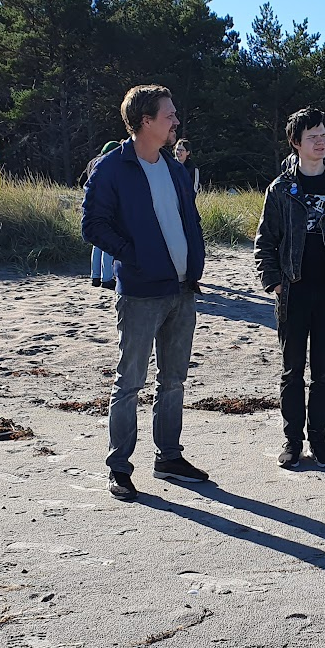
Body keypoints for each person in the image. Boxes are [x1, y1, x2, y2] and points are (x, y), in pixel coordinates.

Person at [81, 85, 208, 500]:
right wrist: (135, 256)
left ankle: (169, 458)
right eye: (169, 115)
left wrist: (195, 262)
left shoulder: (174, 167)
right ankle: (119, 467)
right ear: (145, 121)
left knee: (174, 381)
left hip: (182, 289)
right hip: (139, 292)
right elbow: (93, 226)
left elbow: (188, 218)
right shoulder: (111, 168)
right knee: (129, 383)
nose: (176, 121)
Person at [254, 108, 325, 469]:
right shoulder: (280, 188)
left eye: (323, 135)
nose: (320, 142)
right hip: (292, 292)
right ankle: (292, 441)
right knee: (292, 372)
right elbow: (264, 241)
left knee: (323, 372)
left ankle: (319, 440)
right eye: (312, 137)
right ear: (296, 143)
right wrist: (274, 282)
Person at [79, 140, 122, 290]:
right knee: (108, 240)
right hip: (106, 206)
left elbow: (81, 181)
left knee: (97, 243)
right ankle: (107, 278)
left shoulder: (92, 162)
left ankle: (95, 276)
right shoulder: (109, 164)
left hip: (91, 206)